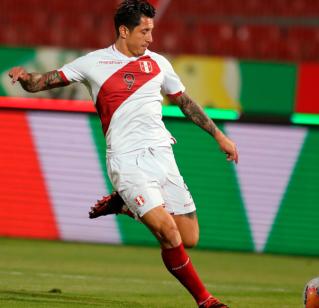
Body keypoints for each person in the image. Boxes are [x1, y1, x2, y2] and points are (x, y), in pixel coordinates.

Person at [8, 1, 236, 307]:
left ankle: (125, 205)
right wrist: (25, 78)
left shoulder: (158, 63)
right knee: (168, 233)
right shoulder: (94, 63)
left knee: (189, 237)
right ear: (124, 30)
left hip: (162, 156)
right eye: (144, 31)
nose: (150, 39)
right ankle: (206, 300)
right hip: (126, 160)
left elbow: (184, 102)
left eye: (152, 31)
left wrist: (219, 135)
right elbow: (41, 82)